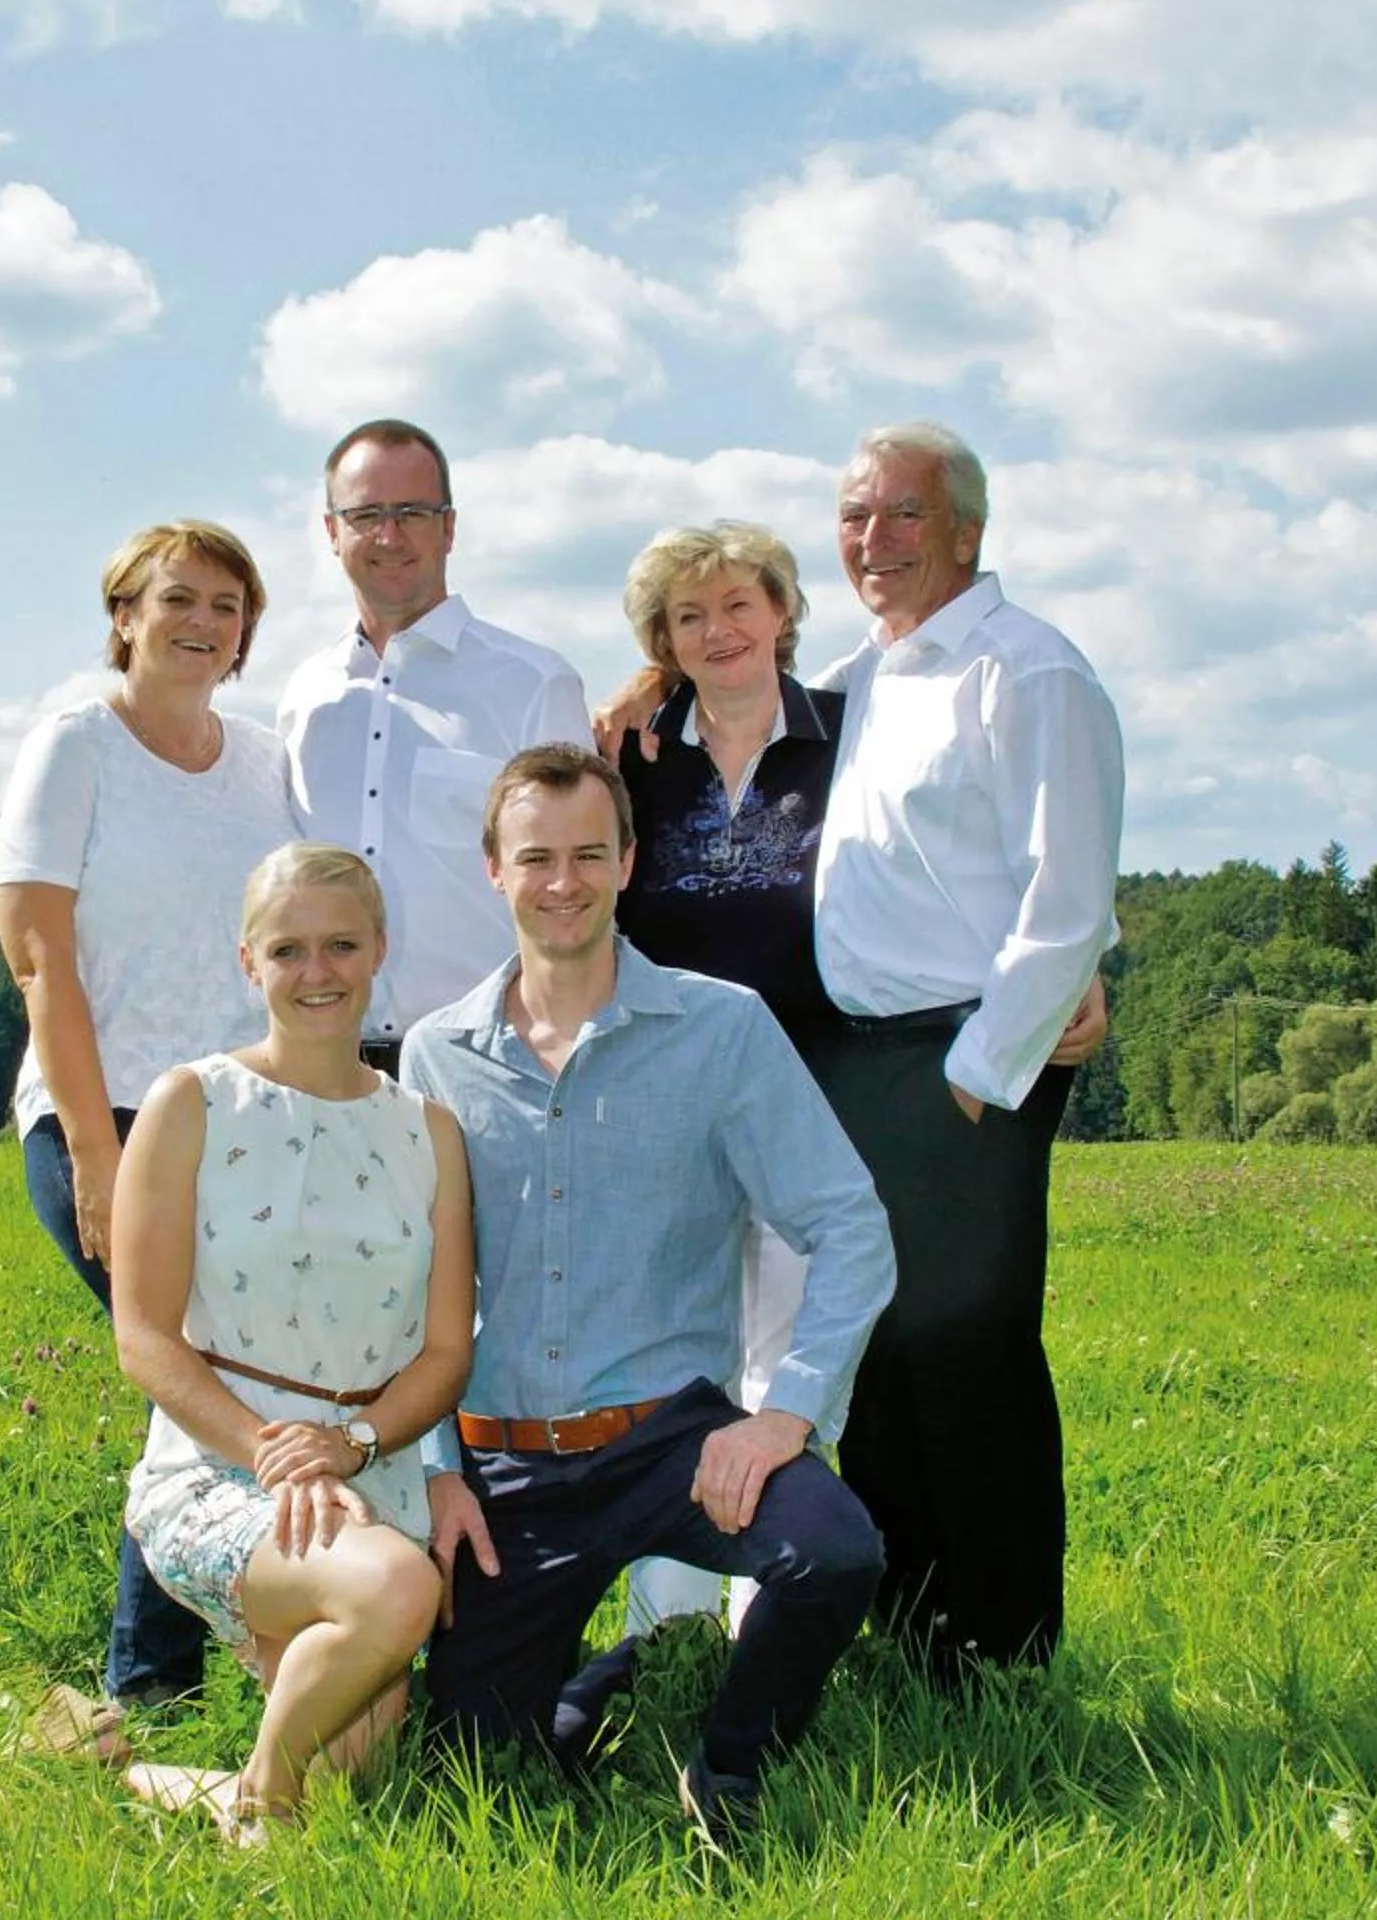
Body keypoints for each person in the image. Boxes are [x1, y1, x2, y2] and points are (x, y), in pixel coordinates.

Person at [401, 746, 894, 1849]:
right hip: (506, 1461)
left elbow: (847, 1224)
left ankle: (727, 1764)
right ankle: (615, 1673)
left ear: (628, 862)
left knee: (832, 1550)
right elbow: (411, 1283)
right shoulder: (437, 1053)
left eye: (588, 854)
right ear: (493, 870)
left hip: (669, 1440)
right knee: (472, 1773)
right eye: (535, 858)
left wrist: (784, 1412)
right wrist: (435, 1473)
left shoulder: (720, 1031)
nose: (562, 881)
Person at [810, 422, 1123, 1673]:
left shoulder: (1028, 671)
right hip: (852, 1062)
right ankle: (902, 1629)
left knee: (968, 1352)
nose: (871, 541)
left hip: (962, 1063)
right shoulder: (861, 675)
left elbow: (1067, 905)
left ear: (965, 533)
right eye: (852, 516)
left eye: (899, 515)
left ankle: (1000, 1651)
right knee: (878, 1355)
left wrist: (977, 1077)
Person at [101, 845, 474, 1833]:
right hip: (220, 1471)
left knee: (352, 1782)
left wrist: (349, 1447)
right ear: (247, 962)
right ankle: (260, 1810)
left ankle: (137, 1776)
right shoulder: (191, 1102)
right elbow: (141, 1333)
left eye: (341, 945)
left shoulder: (427, 1132)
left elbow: (444, 1354)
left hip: (368, 1472)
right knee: (397, 1587)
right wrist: (269, 1451)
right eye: (289, 949)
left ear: (378, 951)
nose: (318, 973)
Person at [0, 519, 296, 1707]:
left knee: (226, 1376)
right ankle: (152, 1683)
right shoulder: (76, 747)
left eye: (227, 605)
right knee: (199, 1374)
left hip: (242, 1118)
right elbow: (38, 958)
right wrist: (93, 1153)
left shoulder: (264, 759)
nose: (202, 622)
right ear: (122, 613)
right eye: (178, 597)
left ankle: (190, 1668)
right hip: (108, 1112)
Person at [608, 521, 844, 1638]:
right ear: (662, 641)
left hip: (811, 1089)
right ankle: (667, 1614)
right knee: (674, 1351)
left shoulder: (851, 737)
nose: (719, 631)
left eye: (739, 604)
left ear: (782, 612)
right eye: (689, 616)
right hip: (664, 1096)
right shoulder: (635, 760)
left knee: (786, 1356)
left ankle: (772, 1594)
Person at [279, 419, 591, 1074]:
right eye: (366, 514)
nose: (389, 536)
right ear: (332, 531)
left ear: (449, 527)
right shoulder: (306, 698)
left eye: (412, 513)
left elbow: (580, 886)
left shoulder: (534, 682)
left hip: (493, 1062)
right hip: (331, 1067)